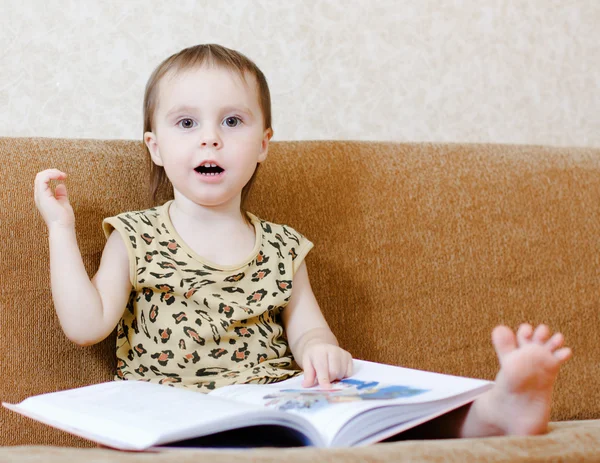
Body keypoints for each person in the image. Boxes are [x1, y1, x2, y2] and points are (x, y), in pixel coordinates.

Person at [34, 43, 571, 438]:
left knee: (367, 427)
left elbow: (308, 328)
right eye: (186, 122)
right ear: (154, 147)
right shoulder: (134, 235)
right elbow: (86, 326)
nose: (210, 137)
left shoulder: (283, 247)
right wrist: (61, 228)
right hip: (171, 415)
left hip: (272, 403)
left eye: (233, 120)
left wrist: (322, 352)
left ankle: (493, 413)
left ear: (264, 144)